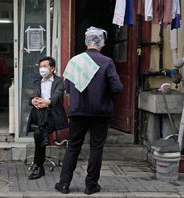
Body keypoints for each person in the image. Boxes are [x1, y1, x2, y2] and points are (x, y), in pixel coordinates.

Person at [54, 26, 123, 195]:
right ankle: (91, 185)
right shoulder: (107, 62)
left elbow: (67, 87)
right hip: (100, 112)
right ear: (101, 43)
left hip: (77, 111)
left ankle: (64, 184)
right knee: (96, 148)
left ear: (87, 42)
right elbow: (117, 88)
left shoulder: (74, 61)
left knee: (73, 148)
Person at [26, 56, 68, 180]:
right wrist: (34, 100)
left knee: (39, 133)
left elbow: (57, 96)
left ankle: (38, 166)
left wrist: (47, 102)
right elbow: (32, 96)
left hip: (54, 116)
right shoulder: (37, 82)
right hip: (39, 115)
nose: (42, 69)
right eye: (40, 66)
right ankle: (39, 165)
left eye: (45, 66)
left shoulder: (59, 81)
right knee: (40, 133)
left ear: (52, 68)